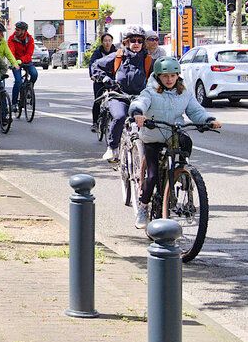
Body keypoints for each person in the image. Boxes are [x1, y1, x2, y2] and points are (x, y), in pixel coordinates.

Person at [129, 57, 220, 228]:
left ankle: (182, 170)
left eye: (173, 75)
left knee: (186, 141)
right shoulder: (150, 92)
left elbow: (195, 111)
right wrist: (137, 113)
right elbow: (140, 103)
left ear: (178, 75)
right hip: (153, 137)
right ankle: (143, 206)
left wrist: (208, 119)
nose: (169, 79)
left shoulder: (184, 93)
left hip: (173, 134)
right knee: (153, 174)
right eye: (165, 76)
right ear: (158, 76)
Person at [91, 25, 152, 162]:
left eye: (139, 41)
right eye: (132, 40)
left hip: (140, 97)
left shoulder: (148, 60)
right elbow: (95, 66)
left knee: (152, 120)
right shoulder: (118, 56)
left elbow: (158, 77)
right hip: (118, 95)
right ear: (126, 42)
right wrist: (105, 78)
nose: (136, 44)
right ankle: (112, 148)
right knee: (119, 117)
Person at [88, 32, 117, 132]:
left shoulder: (116, 52)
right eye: (105, 41)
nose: (107, 43)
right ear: (102, 42)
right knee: (98, 100)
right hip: (100, 80)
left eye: (109, 41)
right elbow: (92, 64)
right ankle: (95, 123)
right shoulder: (97, 52)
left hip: (112, 80)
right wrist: (93, 75)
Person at [7, 21, 39, 108]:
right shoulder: (11, 39)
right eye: (16, 29)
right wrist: (14, 62)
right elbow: (11, 52)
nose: (16, 31)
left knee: (34, 74)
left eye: (18, 30)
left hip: (26, 61)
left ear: (24, 31)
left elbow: (29, 53)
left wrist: (22, 60)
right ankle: (14, 103)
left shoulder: (30, 39)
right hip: (15, 62)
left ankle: (29, 89)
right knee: (18, 81)